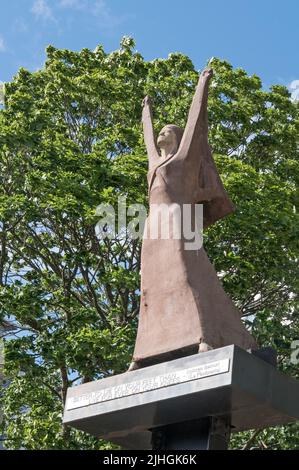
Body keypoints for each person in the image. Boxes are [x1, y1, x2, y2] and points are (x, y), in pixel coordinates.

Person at [128, 69, 256, 371]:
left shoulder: (182, 158)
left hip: (178, 222)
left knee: (186, 277)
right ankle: (143, 352)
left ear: (176, 138)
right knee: (151, 286)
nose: (161, 135)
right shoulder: (155, 162)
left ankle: (203, 336)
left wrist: (202, 84)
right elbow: (147, 138)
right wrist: (146, 112)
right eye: (160, 132)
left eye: (166, 132)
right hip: (154, 228)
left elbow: (196, 122)